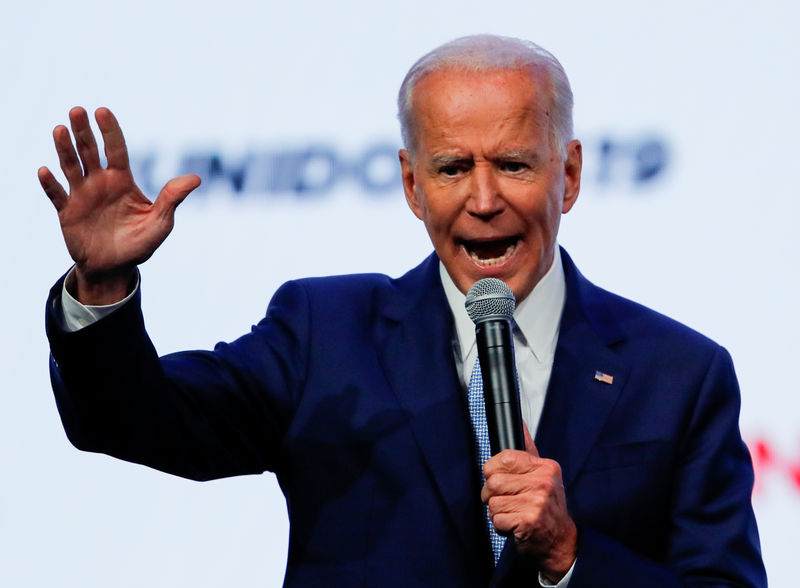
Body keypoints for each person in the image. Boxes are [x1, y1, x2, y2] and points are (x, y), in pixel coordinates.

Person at [41, 35, 766, 587]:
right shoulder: (323, 333)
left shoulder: (680, 374)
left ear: (568, 174)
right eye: (452, 169)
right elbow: (136, 420)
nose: (484, 201)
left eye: (513, 164)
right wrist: (101, 287)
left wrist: (570, 556)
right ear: (412, 186)